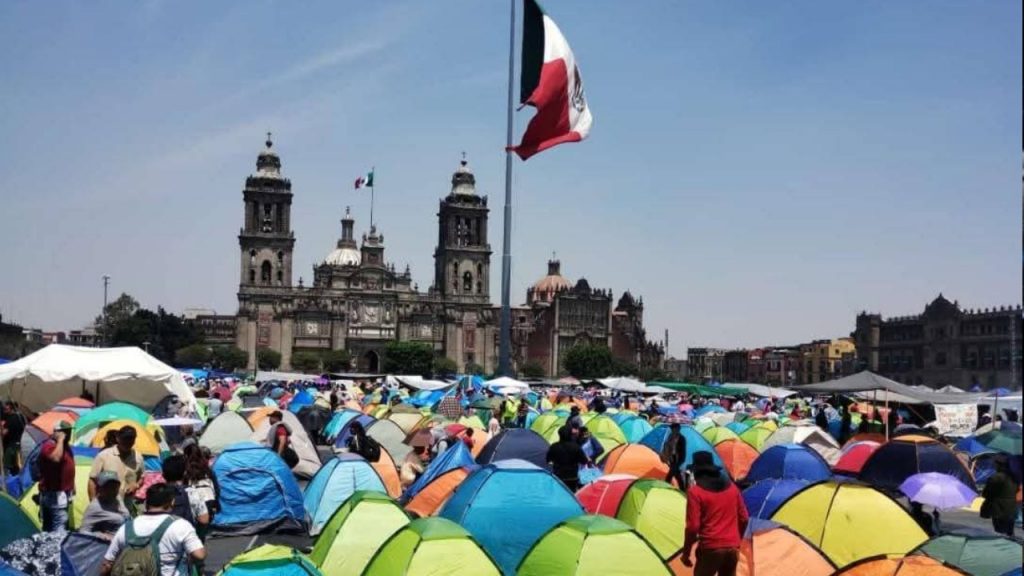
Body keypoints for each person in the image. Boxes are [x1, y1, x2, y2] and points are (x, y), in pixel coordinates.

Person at [100, 483, 206, 576]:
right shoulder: (181, 525)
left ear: (146, 503)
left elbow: (107, 563)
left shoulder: (126, 527)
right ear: (172, 502)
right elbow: (199, 555)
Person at [681, 451, 749, 576]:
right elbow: (744, 518)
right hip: (732, 548)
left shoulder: (695, 493)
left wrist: (686, 553)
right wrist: (736, 541)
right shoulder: (733, 489)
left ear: (696, 473)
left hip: (710, 547)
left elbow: (693, 527)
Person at [90, 426, 145, 514]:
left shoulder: (138, 458)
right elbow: (92, 480)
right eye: (125, 439)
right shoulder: (104, 456)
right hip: (105, 508)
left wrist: (136, 485)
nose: (128, 442)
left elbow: (142, 477)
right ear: (118, 438)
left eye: (131, 439)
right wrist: (93, 504)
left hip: (127, 507)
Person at [38, 419, 76, 531]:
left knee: (52, 526)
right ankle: (57, 546)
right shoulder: (49, 446)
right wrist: (60, 440)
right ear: (56, 432)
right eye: (64, 432)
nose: (67, 434)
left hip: (63, 493)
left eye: (69, 431)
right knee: (60, 525)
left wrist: (73, 485)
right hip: (53, 494)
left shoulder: (65, 446)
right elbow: (56, 458)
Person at [160, 455, 209, 531]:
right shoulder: (192, 492)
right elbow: (204, 520)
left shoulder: (157, 492)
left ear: (163, 475)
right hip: (186, 536)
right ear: (184, 473)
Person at [81, 471, 130, 539]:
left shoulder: (118, 498)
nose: (112, 490)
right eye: (108, 487)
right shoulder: (95, 507)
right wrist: (101, 536)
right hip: (110, 546)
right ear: (99, 488)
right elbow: (83, 532)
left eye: (115, 486)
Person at [981, 455, 1019, 537]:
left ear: (998, 465)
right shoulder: (1014, 477)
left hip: (998, 509)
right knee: (1010, 533)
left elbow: (986, 494)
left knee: (1000, 533)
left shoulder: (995, 478)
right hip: (1011, 508)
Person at [546, 426, 589, 492]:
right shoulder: (576, 447)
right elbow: (584, 461)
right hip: (572, 477)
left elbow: (548, 460)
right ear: (570, 435)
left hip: (558, 476)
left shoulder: (554, 446)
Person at [1, 400, 26, 474]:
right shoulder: (20, 416)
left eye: (6, 408)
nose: (4, 409)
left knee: (8, 468)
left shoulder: (11, 419)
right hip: (19, 444)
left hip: (11, 447)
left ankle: (8, 483)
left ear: (11, 408)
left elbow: (4, 433)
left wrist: (1, 427)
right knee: (17, 467)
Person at [660, 422, 687, 489]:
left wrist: (681, 460)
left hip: (677, 459)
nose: (673, 430)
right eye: (672, 429)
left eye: (674, 428)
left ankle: (666, 486)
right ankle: (683, 489)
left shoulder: (681, 438)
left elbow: (683, 450)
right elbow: (667, 447)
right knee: (677, 474)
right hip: (672, 458)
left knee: (671, 474)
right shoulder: (670, 436)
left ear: (678, 429)